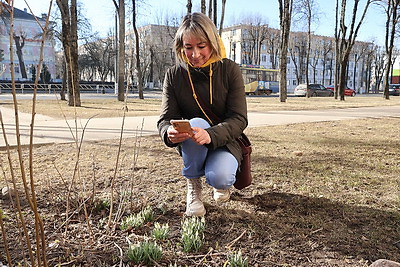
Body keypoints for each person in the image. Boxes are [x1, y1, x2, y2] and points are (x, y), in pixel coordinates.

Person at [157, 12, 248, 216]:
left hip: (224, 140)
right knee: (195, 122)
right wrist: (168, 132)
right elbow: (164, 119)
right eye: (188, 48)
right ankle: (194, 187)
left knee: (221, 177)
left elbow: (239, 118)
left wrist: (211, 135)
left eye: (201, 46)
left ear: (212, 43)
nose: (195, 54)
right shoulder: (174, 75)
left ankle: (219, 182)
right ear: (181, 47)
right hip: (191, 145)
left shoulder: (229, 69)